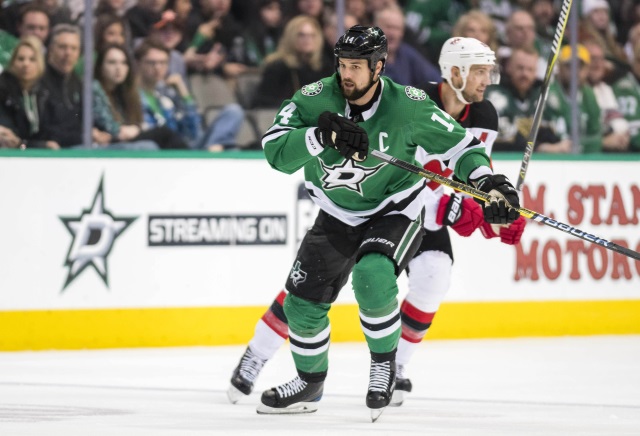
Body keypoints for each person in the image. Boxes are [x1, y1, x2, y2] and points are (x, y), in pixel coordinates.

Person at [227, 35, 527, 409]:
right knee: (301, 300)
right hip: (337, 211)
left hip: (395, 206)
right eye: (342, 64)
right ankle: (306, 380)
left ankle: (388, 367)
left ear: (378, 67)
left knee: (382, 277)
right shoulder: (315, 97)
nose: (346, 74)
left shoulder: (411, 105)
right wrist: (319, 137)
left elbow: (463, 150)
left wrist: (489, 186)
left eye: (356, 66)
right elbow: (276, 151)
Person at [135, 38, 244, 150]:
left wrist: (184, 93)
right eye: (151, 63)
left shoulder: (168, 93)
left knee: (233, 111)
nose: (158, 68)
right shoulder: (132, 95)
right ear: (138, 63)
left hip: (184, 147)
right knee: (230, 150)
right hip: (160, 148)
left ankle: (212, 152)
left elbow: (193, 133)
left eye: (163, 63)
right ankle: (212, 156)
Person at [485, 47, 568, 153]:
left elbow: (558, 131)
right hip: (503, 160)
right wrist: (540, 148)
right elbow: (501, 137)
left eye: (530, 69)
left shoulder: (542, 95)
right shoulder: (494, 95)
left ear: (536, 71)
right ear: (509, 67)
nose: (525, 74)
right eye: (520, 68)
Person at [253, 15, 332, 108]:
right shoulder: (277, 66)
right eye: (301, 35)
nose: (307, 40)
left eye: (312, 35)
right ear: (291, 37)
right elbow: (263, 101)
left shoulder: (323, 66)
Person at [545, 44, 602, 153]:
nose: (575, 71)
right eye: (569, 66)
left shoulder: (589, 95)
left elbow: (596, 136)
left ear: (587, 69)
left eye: (580, 66)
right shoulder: (548, 93)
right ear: (559, 68)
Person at [0, 36, 51, 149]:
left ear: (40, 64)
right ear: (13, 62)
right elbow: (9, 135)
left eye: (32, 59)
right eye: (21, 59)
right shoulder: (3, 90)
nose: (26, 64)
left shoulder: (45, 92)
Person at [373, 6, 441, 87]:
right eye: (388, 27)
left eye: (397, 28)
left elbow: (436, 79)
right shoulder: (365, 57)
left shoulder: (407, 53)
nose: (392, 34)